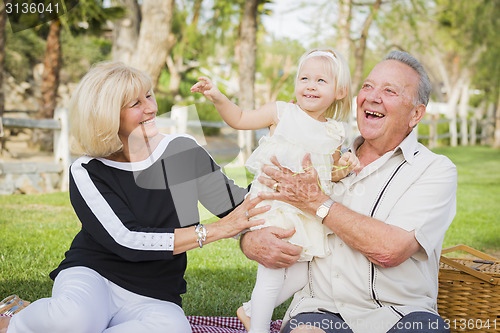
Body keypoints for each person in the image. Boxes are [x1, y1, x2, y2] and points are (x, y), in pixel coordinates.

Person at [0, 61, 269, 333]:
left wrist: (281, 180)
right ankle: (13, 321)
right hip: (95, 275)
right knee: (73, 321)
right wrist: (215, 231)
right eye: (135, 103)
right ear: (107, 114)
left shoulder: (181, 151)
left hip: (155, 291)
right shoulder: (87, 170)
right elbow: (127, 239)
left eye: (149, 96)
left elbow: (235, 205)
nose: (151, 108)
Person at [240, 50, 457, 333]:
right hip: (319, 310)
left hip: (401, 315)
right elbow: (257, 208)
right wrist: (250, 241)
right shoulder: (320, 156)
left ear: (415, 114)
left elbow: (390, 250)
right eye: (368, 86)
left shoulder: (433, 169)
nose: (372, 96)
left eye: (389, 90)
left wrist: (317, 202)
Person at [191, 48, 360, 333]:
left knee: (300, 275)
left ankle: (248, 311)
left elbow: (331, 174)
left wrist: (347, 165)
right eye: (304, 78)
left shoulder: (335, 132)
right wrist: (218, 96)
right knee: (270, 276)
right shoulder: (281, 112)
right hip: (274, 204)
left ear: (340, 91)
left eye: (321, 81)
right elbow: (240, 119)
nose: (310, 85)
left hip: (306, 214)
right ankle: (258, 328)